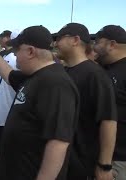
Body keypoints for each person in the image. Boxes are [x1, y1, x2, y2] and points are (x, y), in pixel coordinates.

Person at [0, 25, 79, 180]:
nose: (15, 55)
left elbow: (58, 142)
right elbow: (8, 73)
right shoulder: (33, 75)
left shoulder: (56, 84)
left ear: (30, 51)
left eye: (17, 50)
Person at [54, 23, 117, 180]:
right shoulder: (64, 71)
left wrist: (105, 165)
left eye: (59, 38)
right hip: (61, 159)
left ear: (75, 40)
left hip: (81, 163)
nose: (55, 44)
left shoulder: (96, 75)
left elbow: (108, 121)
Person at [94, 25, 126, 180]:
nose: (94, 47)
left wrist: (105, 165)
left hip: (118, 161)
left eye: (98, 42)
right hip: (103, 157)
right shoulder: (105, 69)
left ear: (112, 44)